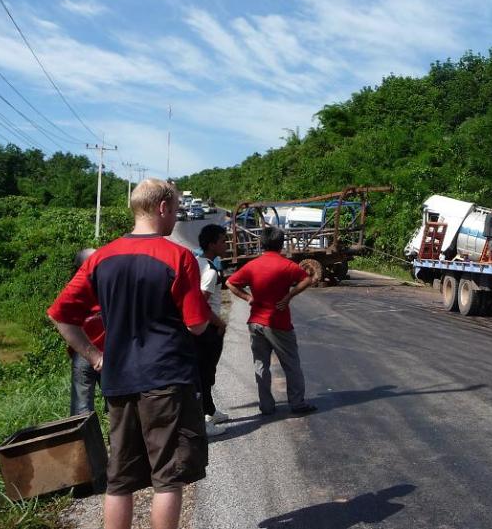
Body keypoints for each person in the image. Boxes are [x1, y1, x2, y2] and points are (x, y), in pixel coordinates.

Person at [47, 178, 210, 529]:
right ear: (163, 207)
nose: (176, 217)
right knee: (167, 475)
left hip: (118, 378)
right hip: (166, 378)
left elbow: (60, 315)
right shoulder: (179, 257)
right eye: (176, 209)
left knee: (119, 477)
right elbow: (197, 326)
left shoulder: (101, 258)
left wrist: (94, 356)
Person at [226, 227, 316, 416]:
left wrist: (248, 297)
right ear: (281, 244)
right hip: (278, 323)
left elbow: (230, 283)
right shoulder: (287, 265)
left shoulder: (252, 265)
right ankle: (297, 403)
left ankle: (266, 406)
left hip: (255, 322)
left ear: (261, 244)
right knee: (291, 364)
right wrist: (289, 295)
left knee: (261, 365)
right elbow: (308, 279)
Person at [195, 224, 230, 436]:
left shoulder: (197, 263)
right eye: (223, 241)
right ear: (212, 244)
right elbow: (201, 305)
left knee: (205, 373)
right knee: (205, 374)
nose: (226, 245)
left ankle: (210, 410)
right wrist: (220, 324)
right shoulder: (209, 271)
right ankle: (203, 421)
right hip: (209, 329)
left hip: (201, 329)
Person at [69, 248, 105, 416]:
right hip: (93, 353)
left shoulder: (72, 290)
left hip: (91, 352)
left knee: (82, 406)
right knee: (115, 404)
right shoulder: (105, 286)